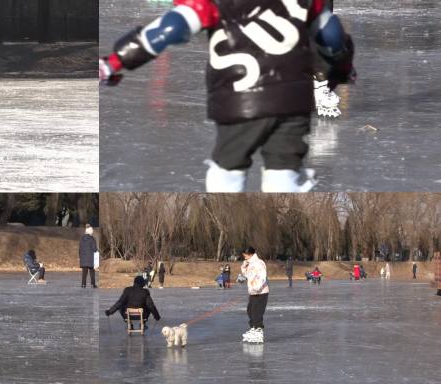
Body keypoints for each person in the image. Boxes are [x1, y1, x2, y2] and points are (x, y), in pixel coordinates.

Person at [99, 0, 356, 192]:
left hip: (240, 100)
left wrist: (114, 61)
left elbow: (170, 28)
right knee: (284, 170)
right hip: (292, 100)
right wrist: (341, 69)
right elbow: (332, 37)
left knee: (228, 167)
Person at [240, 247, 269, 343]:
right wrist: (244, 267)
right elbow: (247, 275)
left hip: (260, 292)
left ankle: (258, 331)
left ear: (250, 254)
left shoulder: (259, 263)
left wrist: (256, 288)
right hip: (253, 292)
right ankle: (253, 328)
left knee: (257, 312)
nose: (244, 256)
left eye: (245, 254)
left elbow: (262, 277)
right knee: (250, 311)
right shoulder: (250, 263)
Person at [79, 224, 98, 288]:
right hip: (90, 258)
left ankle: (83, 284)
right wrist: (96, 251)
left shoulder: (82, 238)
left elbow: (80, 248)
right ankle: (93, 284)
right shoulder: (91, 238)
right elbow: (94, 248)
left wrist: (80, 256)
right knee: (92, 271)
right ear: (90, 232)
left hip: (83, 258)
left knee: (84, 272)